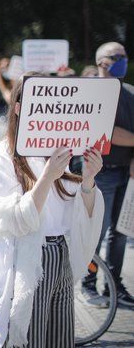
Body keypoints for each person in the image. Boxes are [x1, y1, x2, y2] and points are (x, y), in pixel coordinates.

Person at [0, 75, 105, 347]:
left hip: (60, 257)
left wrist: (88, 179)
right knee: (30, 339)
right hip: (27, 260)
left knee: (58, 338)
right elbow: (16, 221)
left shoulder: (55, 152)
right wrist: (46, 178)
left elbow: (78, 213)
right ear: (18, 107)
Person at [81, 42, 134, 307]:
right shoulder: (92, 93)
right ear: (102, 61)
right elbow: (106, 133)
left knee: (121, 232)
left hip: (127, 173)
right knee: (95, 234)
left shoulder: (129, 93)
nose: (123, 60)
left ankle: (114, 287)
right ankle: (88, 283)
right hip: (101, 175)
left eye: (124, 56)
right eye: (117, 57)